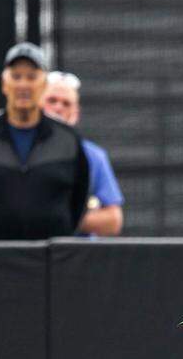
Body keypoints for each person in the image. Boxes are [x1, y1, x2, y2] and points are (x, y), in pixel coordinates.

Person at [0, 42, 89, 239]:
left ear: (44, 85)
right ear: (4, 84)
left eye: (31, 77)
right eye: (16, 77)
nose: (23, 84)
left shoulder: (68, 140)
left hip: (51, 262)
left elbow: (79, 199)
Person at [42, 71, 124, 237]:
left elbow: (113, 220)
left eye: (66, 104)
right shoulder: (19, 150)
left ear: (76, 114)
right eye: (52, 100)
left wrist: (60, 218)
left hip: (77, 257)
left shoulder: (93, 156)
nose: (58, 108)